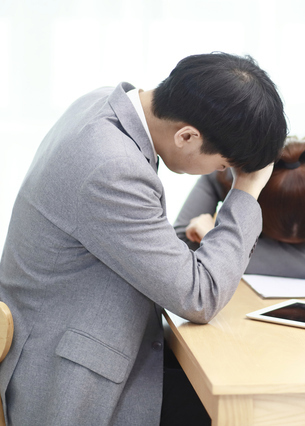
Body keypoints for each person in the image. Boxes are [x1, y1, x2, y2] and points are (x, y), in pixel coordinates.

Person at [0, 52, 287, 425]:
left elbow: (109, 235)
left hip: (71, 337)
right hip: (67, 383)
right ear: (187, 135)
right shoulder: (113, 164)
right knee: (253, 410)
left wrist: (182, 241)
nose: (224, 172)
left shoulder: (104, 104)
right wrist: (246, 190)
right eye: (223, 165)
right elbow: (200, 296)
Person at [174, 136, 305, 279]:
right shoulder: (225, 170)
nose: (285, 248)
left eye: (299, 247)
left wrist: (216, 242)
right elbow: (182, 245)